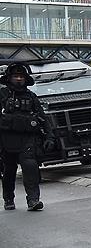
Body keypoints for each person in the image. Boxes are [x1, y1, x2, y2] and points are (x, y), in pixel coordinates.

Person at [0, 62, 49, 211]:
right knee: (9, 170)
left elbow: (42, 118)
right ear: (9, 78)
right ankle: (8, 198)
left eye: (21, 76)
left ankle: (33, 200)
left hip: (27, 138)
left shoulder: (31, 96)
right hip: (6, 139)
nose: (19, 79)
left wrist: (50, 136)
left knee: (30, 167)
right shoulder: (2, 95)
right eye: (16, 76)